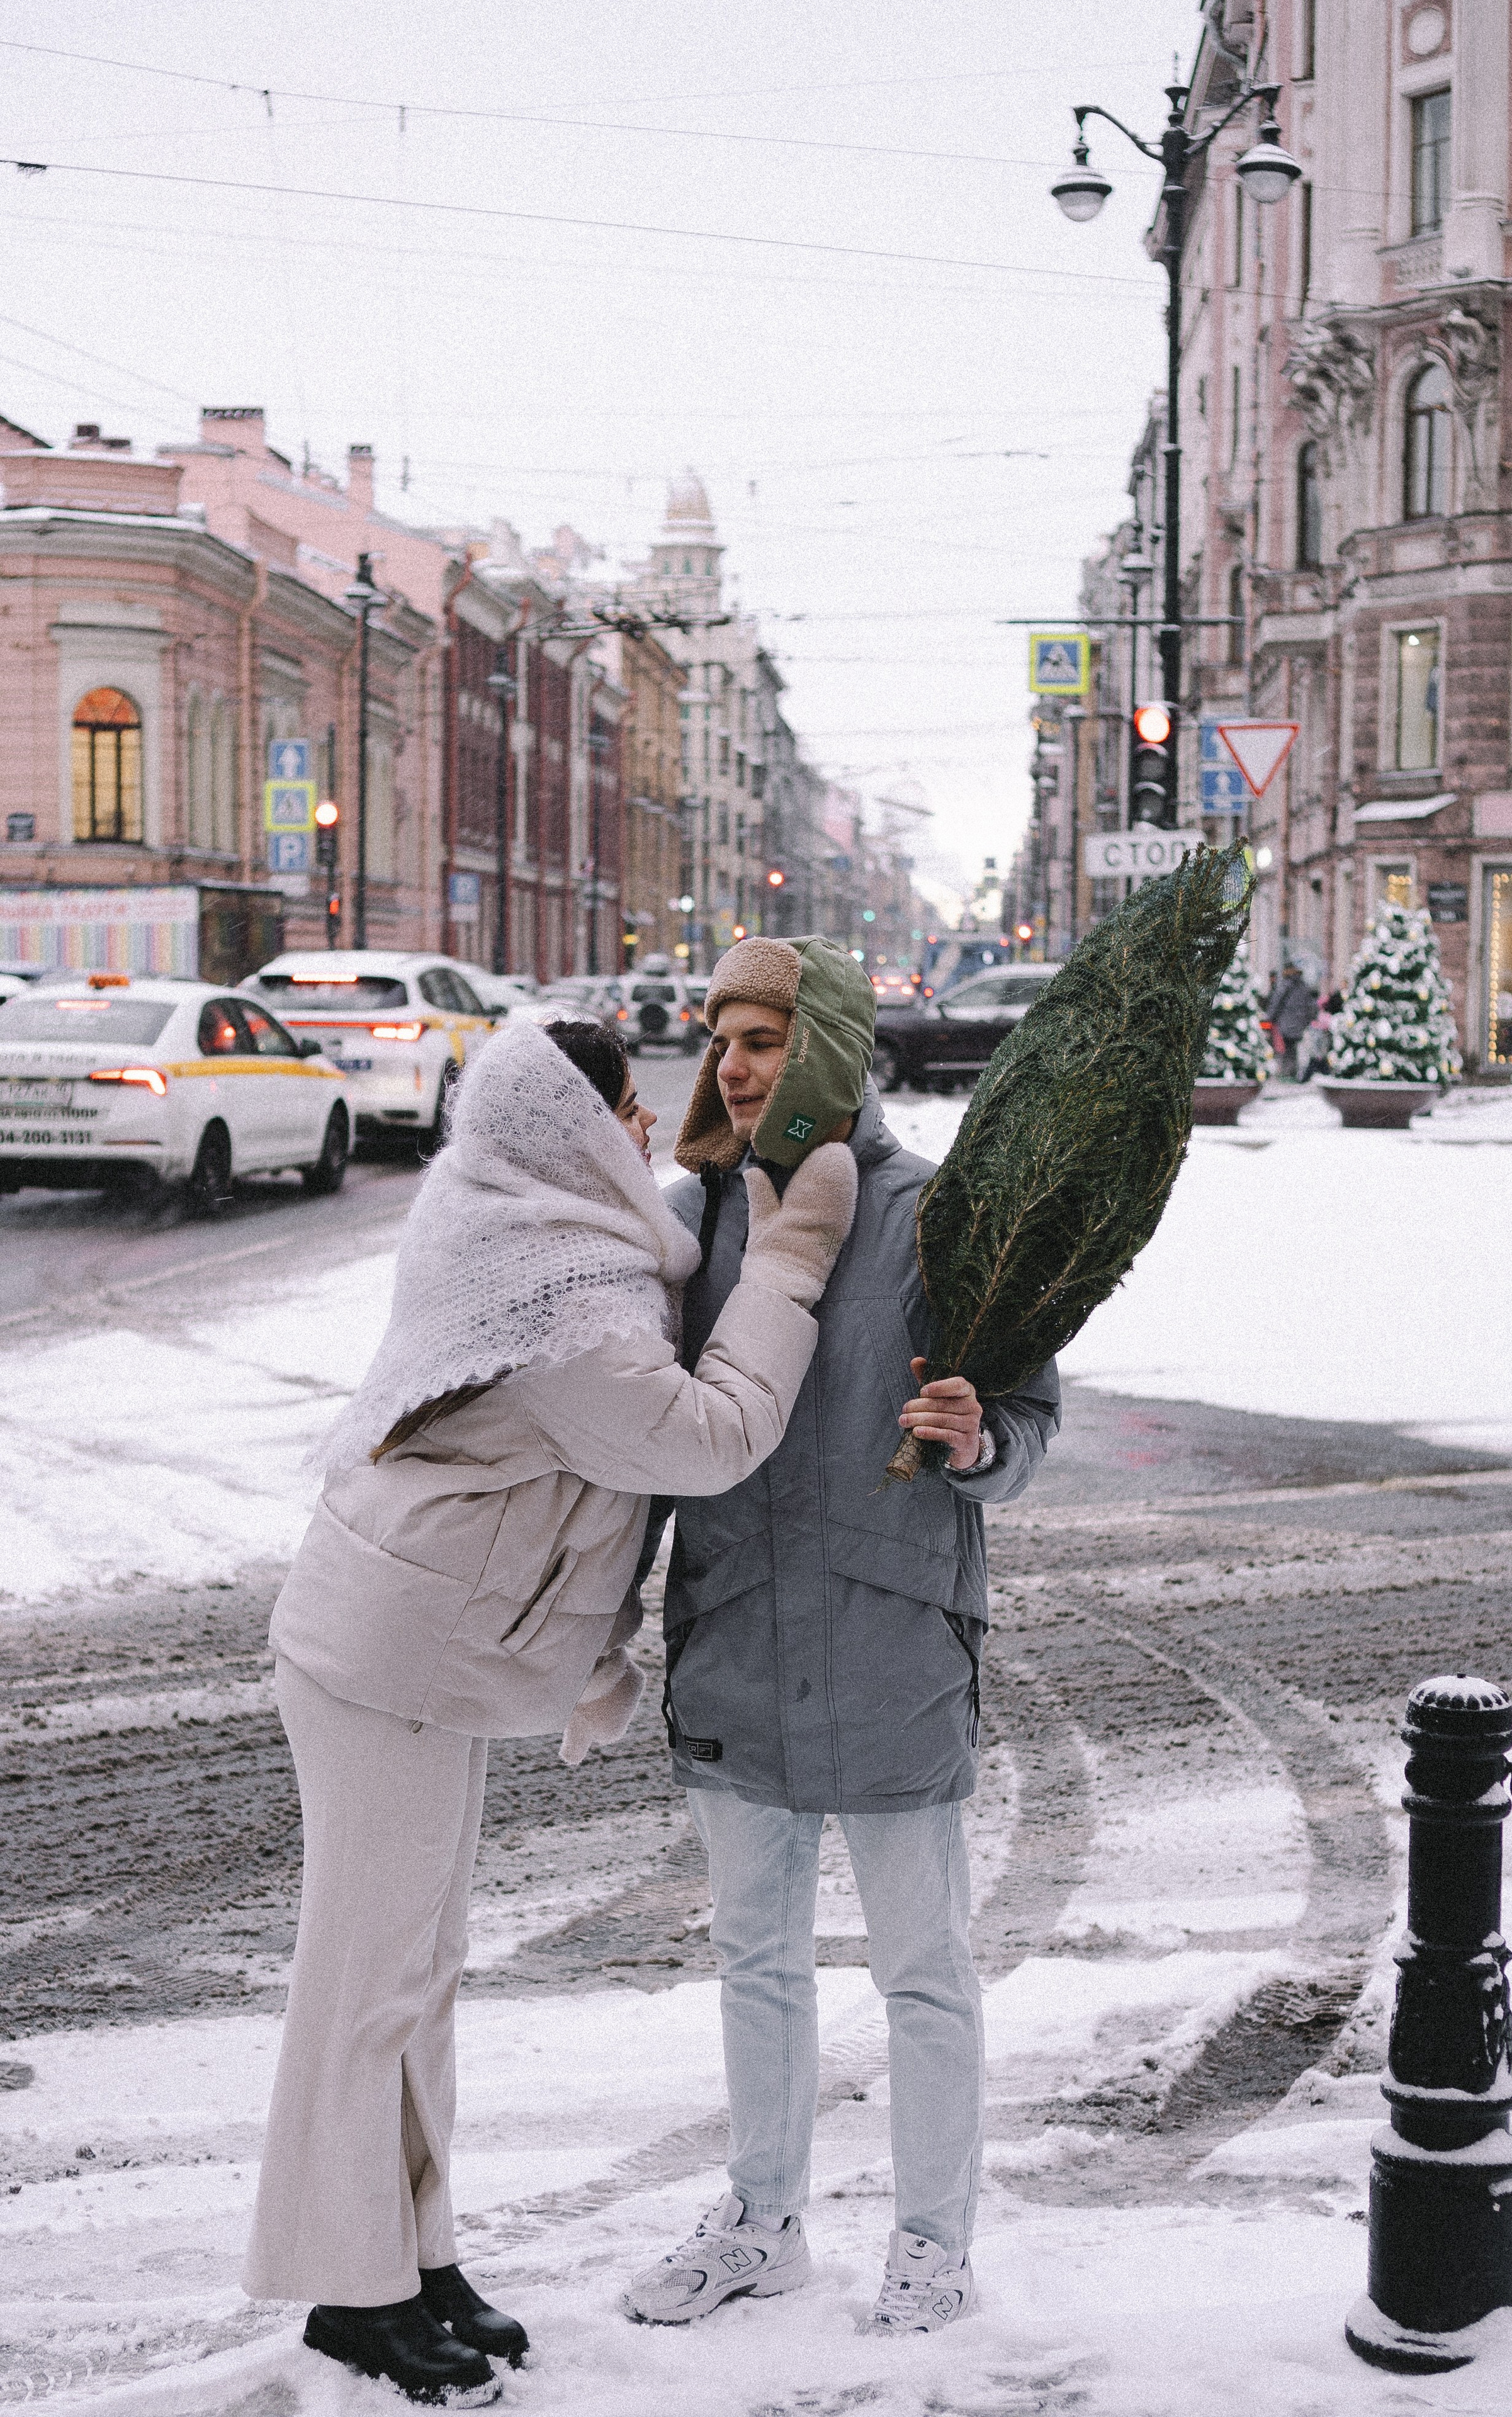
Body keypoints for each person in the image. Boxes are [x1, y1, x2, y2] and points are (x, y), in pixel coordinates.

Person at [243, 1013, 859, 2407]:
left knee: (417, 1970)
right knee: (369, 1981)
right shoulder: (559, 1302)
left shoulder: (516, 1220)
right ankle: (351, 2290)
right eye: (623, 1113)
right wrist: (789, 1263)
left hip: (415, 1645)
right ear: (567, 1133)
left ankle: (414, 2256)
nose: (642, 1132)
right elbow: (708, 1437)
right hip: (386, 1660)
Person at [622, 937, 1060, 2338]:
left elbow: (1030, 1415)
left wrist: (978, 1436)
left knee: (920, 1968)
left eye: (762, 1040)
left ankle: (933, 2243)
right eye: (721, 1042)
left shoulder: (938, 1217)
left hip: (891, 1640)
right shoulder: (691, 1223)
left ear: (823, 1047)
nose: (734, 1068)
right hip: (735, 1629)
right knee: (753, 1957)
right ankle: (762, 2223)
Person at [1268, 958, 1319, 1078]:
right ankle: (1293, 1071)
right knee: (1293, 1048)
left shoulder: (1285, 985)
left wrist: (1270, 1018)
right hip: (1300, 1023)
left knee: (1285, 1048)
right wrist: (1308, 1020)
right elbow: (1312, 1006)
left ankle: (1287, 1072)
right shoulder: (1304, 986)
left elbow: (1276, 1003)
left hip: (1286, 1022)